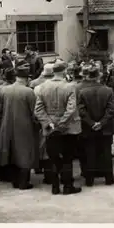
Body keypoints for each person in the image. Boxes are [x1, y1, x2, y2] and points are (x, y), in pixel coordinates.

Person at [34, 61, 82, 195]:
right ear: (64, 71)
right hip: (67, 128)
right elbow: (71, 108)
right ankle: (67, 186)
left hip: (50, 128)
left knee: (53, 157)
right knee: (67, 157)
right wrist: (62, 122)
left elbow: (38, 109)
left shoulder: (42, 87)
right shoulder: (69, 87)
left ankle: (55, 187)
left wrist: (49, 123)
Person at [0, 64, 38, 190]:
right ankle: (23, 182)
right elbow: (34, 113)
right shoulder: (29, 92)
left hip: (6, 125)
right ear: (27, 78)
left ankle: (14, 180)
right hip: (24, 126)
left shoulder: (3, 90)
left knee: (11, 152)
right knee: (24, 152)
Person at [78, 66, 114, 187]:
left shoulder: (83, 92)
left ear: (88, 77)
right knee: (106, 152)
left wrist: (91, 123)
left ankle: (90, 180)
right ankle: (108, 178)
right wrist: (102, 122)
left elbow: (81, 110)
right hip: (105, 128)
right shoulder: (108, 90)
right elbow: (111, 109)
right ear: (99, 76)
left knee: (90, 153)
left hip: (89, 128)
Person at [0, 68, 16, 182]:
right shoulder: (12, 89)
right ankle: (11, 173)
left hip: (0, 122)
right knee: (12, 147)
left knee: (2, 148)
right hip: (12, 121)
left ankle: (2, 173)